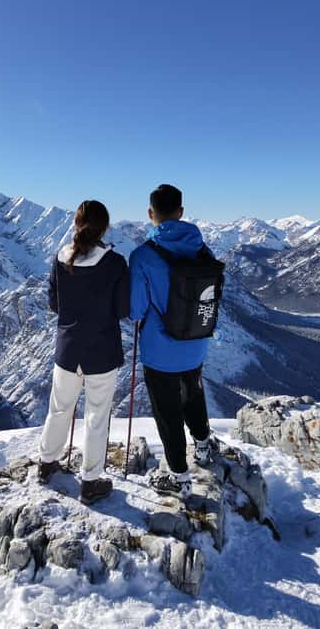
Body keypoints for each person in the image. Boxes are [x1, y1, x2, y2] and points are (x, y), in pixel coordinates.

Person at [129, 184, 219, 499]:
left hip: (160, 348)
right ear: (181, 212)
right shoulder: (202, 249)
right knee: (193, 393)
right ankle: (204, 446)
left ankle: (179, 477)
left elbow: (136, 309)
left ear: (150, 213)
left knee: (167, 411)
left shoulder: (143, 256)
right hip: (196, 340)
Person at [38, 200, 130, 504]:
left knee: (59, 408)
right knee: (96, 416)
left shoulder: (61, 258)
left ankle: (46, 463)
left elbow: (54, 304)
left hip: (67, 349)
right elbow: (123, 309)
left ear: (77, 224)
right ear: (105, 227)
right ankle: (90, 482)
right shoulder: (114, 263)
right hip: (101, 351)